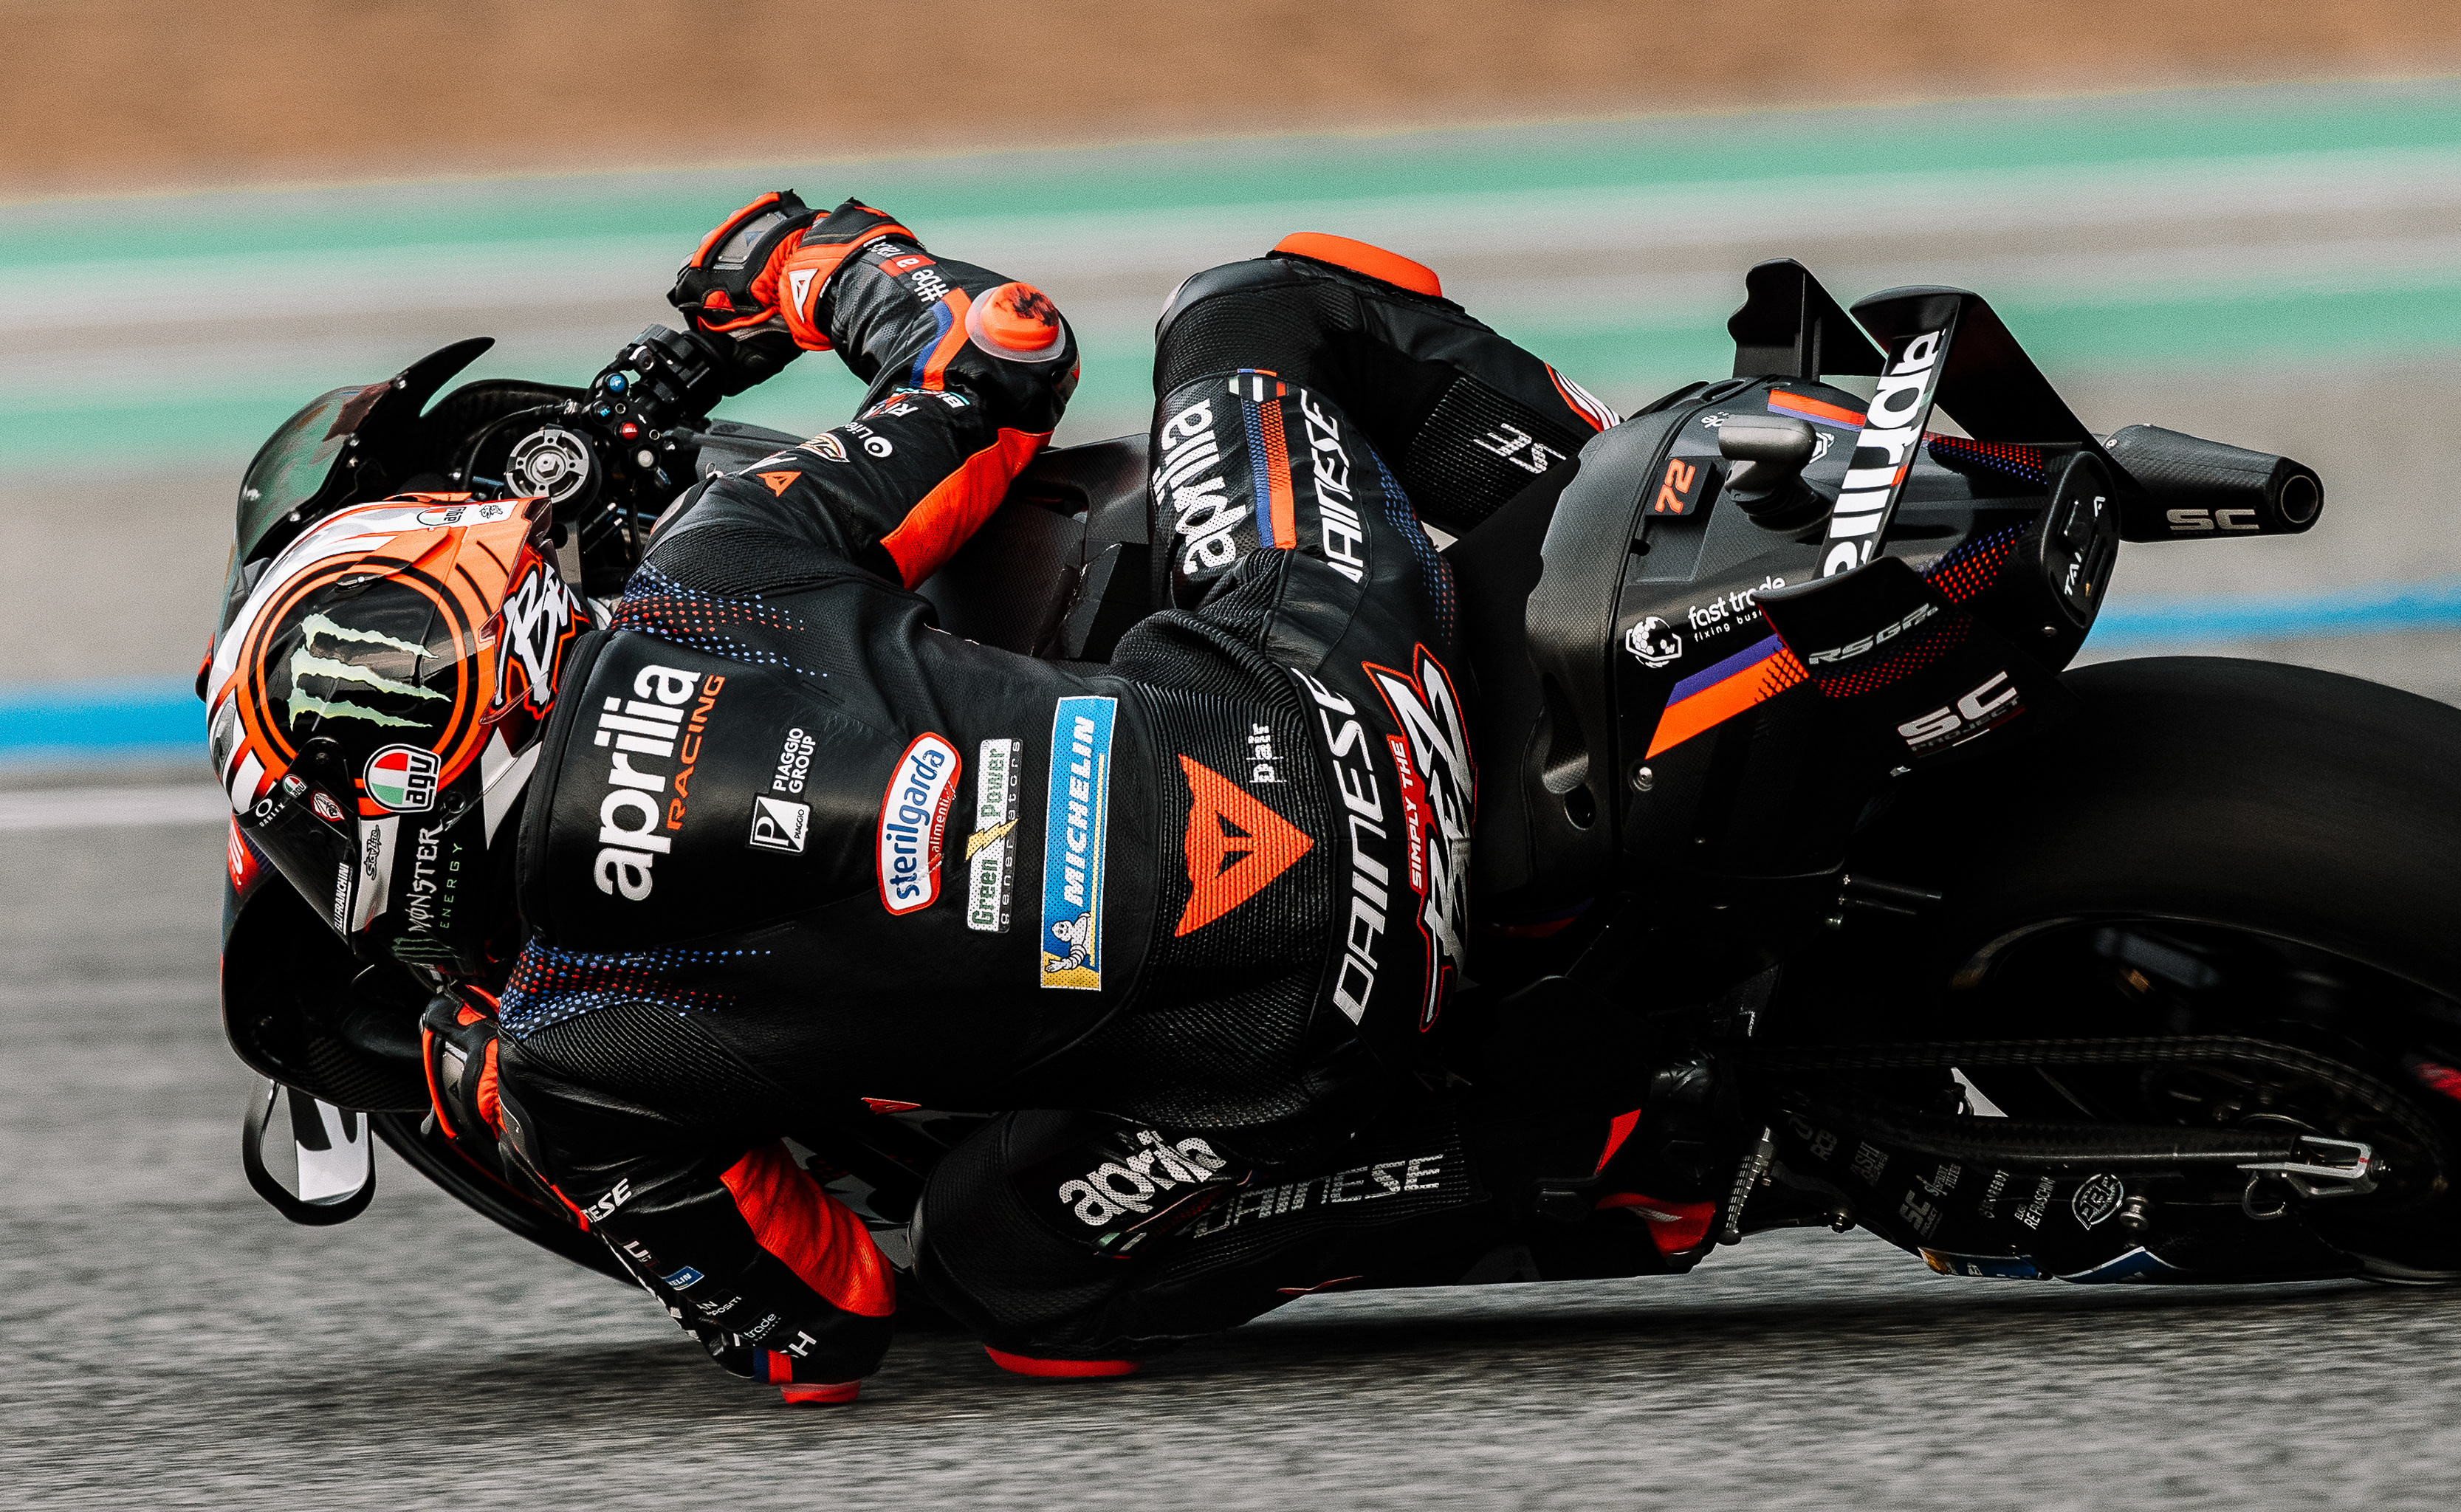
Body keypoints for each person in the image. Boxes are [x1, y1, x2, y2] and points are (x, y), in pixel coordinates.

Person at [215, 191, 1713, 1403]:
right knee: (1263, 304)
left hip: (1309, 1027)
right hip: (1345, 696)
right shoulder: (711, 571)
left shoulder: (569, 1053)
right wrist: (813, 266)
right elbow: (1002, 350)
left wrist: (496, 1093)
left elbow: (818, 1332)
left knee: (1006, 1282)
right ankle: (1626, 508)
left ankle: (1593, 1164)